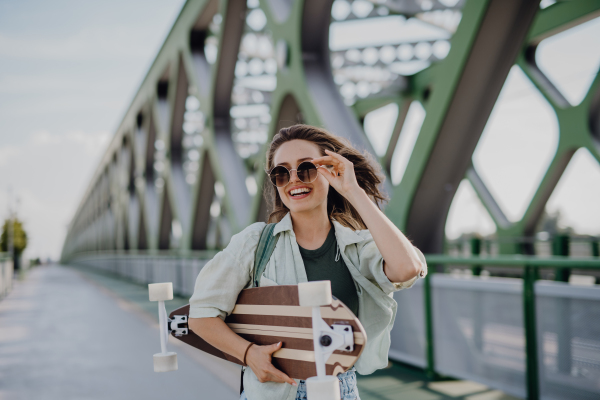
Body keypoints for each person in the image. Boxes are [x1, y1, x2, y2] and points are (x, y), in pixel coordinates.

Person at [188, 124, 427, 400]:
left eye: (307, 168)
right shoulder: (254, 243)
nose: (294, 179)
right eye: (281, 173)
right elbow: (201, 315)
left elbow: (408, 269)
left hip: (340, 389)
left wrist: (353, 191)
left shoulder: (357, 246)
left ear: (329, 171)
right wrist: (249, 354)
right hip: (273, 391)